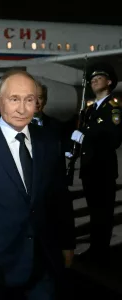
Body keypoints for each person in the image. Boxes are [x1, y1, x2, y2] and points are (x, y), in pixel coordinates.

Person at [0, 70, 75, 299]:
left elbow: (60, 197)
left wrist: (67, 242)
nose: (22, 108)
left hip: (44, 263)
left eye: (29, 99)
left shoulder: (49, 141)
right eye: (14, 99)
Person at [69, 62, 122, 263]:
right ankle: (95, 248)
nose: (94, 81)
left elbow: (114, 139)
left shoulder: (113, 108)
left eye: (98, 78)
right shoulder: (90, 110)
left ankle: (101, 253)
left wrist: (86, 137)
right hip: (89, 168)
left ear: (109, 82)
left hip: (103, 169)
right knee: (94, 213)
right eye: (92, 79)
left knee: (103, 214)